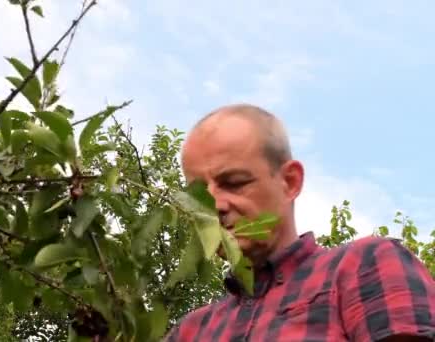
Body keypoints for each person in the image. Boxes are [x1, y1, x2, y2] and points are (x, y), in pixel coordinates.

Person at [164, 104, 435, 341]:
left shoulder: (363, 266)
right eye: (198, 195)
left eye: (234, 183)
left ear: (290, 182)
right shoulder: (191, 331)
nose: (214, 206)